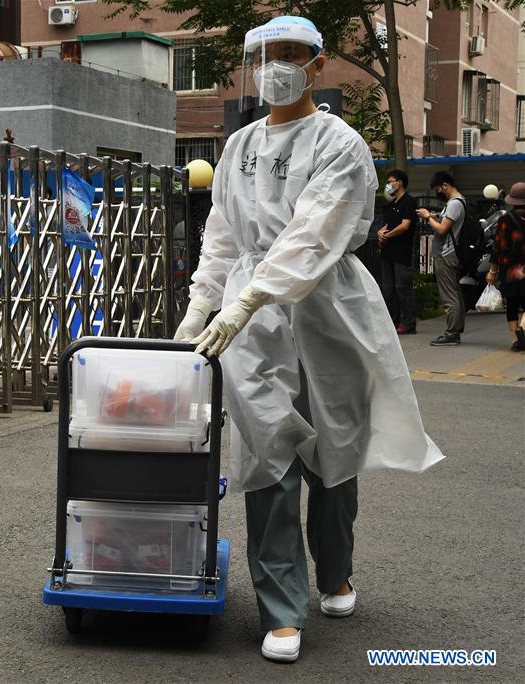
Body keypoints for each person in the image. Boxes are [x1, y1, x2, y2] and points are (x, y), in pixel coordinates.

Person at [174, 16, 444, 663]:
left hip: (327, 306)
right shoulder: (238, 146)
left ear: (318, 64)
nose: (276, 67)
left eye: (291, 54)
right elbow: (222, 235)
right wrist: (203, 303)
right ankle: (280, 606)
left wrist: (247, 298)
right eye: (267, 55)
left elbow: (316, 232)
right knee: (267, 448)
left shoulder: (339, 143)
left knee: (333, 447)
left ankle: (335, 571)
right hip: (253, 318)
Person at [416, 172, 466, 346]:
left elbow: (442, 229)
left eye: (438, 189)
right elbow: (446, 224)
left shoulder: (454, 204)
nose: (438, 192)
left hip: (445, 254)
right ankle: (455, 330)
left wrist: (427, 217)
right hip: (449, 253)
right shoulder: (458, 202)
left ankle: (452, 333)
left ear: (445, 185)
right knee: (455, 294)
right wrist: (434, 216)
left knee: (449, 296)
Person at [486, 181, 525, 351]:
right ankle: (523, 328)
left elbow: (498, 248)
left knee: (512, 305)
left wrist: (492, 271)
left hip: (509, 271)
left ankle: (516, 340)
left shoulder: (504, 220)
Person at [377, 169, 417, 334]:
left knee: (402, 288)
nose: (388, 185)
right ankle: (392, 322)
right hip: (387, 252)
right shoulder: (391, 205)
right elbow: (386, 226)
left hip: (402, 253)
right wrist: (381, 233)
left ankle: (408, 323)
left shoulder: (409, 202)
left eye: (390, 182)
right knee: (388, 290)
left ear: (399, 183)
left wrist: (387, 235)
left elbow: (405, 225)